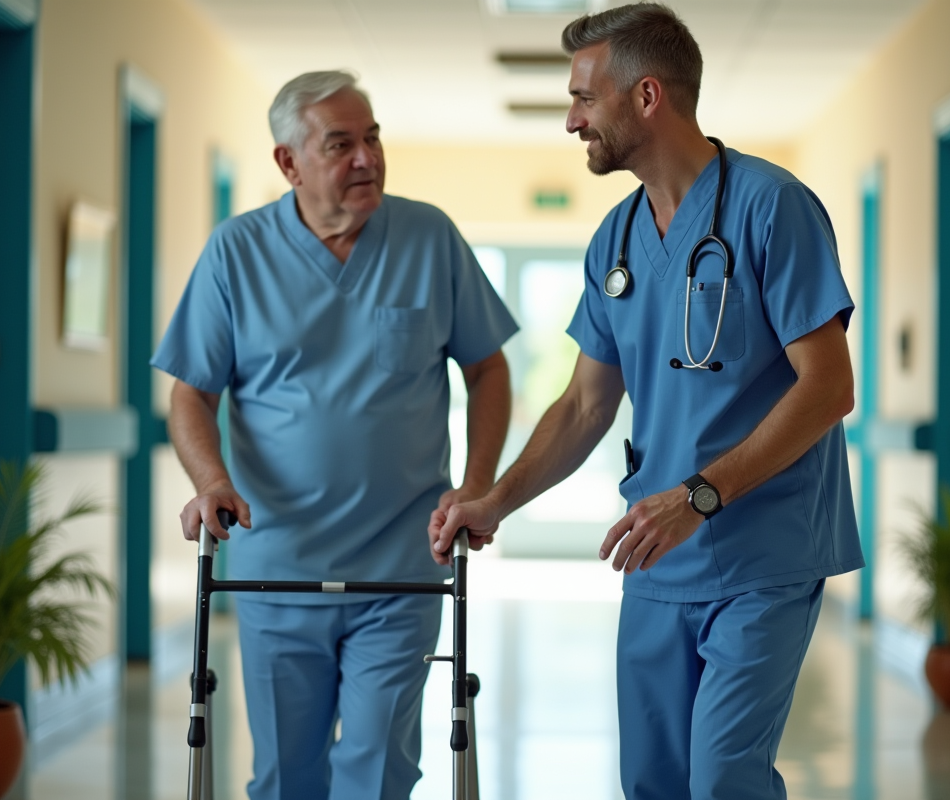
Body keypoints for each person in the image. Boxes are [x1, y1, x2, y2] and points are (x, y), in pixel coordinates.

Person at [430, 5, 863, 799]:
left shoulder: (773, 208)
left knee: (723, 776)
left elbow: (830, 387)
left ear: (647, 96)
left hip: (762, 551)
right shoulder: (617, 239)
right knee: (654, 782)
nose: (571, 120)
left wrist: (700, 496)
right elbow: (584, 405)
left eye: (584, 99)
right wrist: (496, 500)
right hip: (659, 560)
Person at [153, 71, 517, 800]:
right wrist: (211, 481)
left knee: (380, 770)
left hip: (403, 564)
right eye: (341, 144)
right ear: (288, 162)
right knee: (288, 776)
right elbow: (191, 392)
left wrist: (478, 486)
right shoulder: (237, 252)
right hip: (277, 567)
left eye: (373, 137)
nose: (367, 159)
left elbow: (489, 370)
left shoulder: (428, 237)